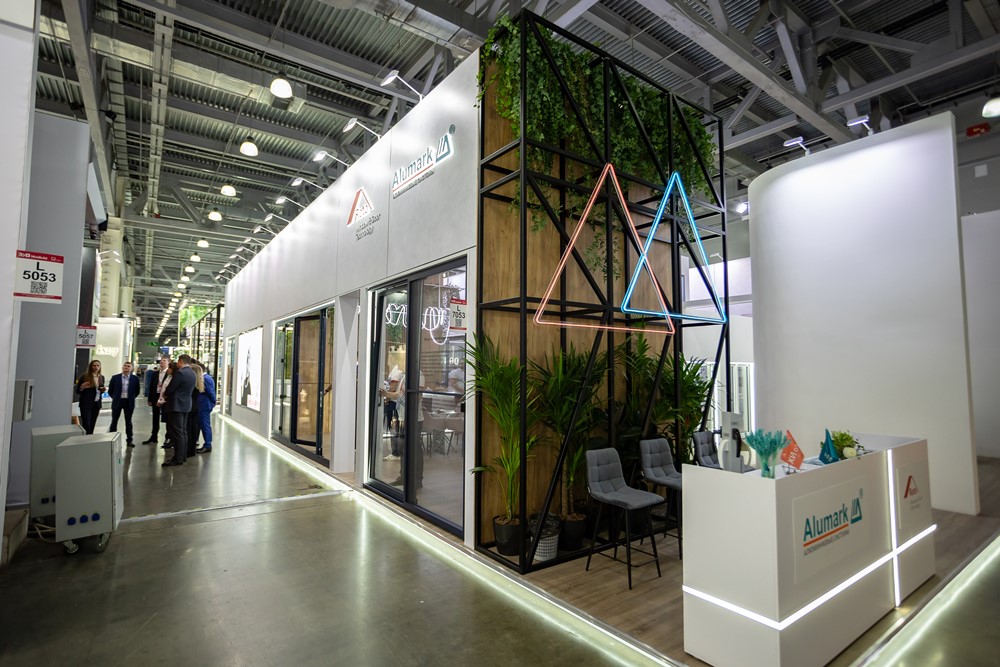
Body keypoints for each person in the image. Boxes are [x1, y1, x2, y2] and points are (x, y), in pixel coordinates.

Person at [161, 355, 195, 467]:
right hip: (186, 405)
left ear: (180, 361)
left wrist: (165, 395)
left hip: (176, 405)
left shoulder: (180, 373)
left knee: (177, 432)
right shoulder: (192, 373)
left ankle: (178, 458)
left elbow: (170, 389)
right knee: (183, 432)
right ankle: (182, 455)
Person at [108, 361, 141, 447]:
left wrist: (131, 397)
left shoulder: (135, 379)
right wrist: (115, 397)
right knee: (114, 420)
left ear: (131, 368)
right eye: (125, 366)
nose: (126, 367)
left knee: (128, 421)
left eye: (128, 366)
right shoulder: (115, 378)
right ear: (122, 367)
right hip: (118, 401)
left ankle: (129, 440)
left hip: (128, 402)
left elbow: (137, 391)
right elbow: (110, 390)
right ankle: (111, 439)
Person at [142, 357, 170, 445]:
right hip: (155, 396)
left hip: (165, 397)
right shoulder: (155, 373)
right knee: (155, 417)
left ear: (168, 363)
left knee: (167, 417)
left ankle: (168, 437)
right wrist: (150, 398)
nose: (162, 362)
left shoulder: (170, 373)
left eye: (164, 361)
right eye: (161, 361)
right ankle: (154, 436)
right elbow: (151, 386)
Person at [379, 364, 404, 460]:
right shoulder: (398, 374)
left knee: (394, 429)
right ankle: (397, 451)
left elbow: (393, 389)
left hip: (394, 405)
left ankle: (396, 453)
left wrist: (387, 396)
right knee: (395, 429)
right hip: (395, 404)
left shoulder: (396, 374)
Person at [75, 360, 106, 435]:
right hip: (86, 404)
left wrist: (102, 390)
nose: (96, 367)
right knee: (86, 423)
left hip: (96, 403)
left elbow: (98, 390)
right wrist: (82, 387)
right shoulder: (84, 376)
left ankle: (90, 437)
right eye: (94, 365)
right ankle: (86, 438)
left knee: (93, 422)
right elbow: (78, 391)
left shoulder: (101, 377)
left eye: (98, 365)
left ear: (100, 367)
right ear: (90, 366)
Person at [185, 364, 205, 458]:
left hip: (190, 406)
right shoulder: (200, 384)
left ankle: (188, 449)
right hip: (196, 407)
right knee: (194, 428)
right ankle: (191, 450)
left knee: (188, 428)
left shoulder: (191, 384)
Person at [195, 363, 216, 453]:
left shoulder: (206, 379)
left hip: (204, 405)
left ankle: (208, 444)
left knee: (205, 425)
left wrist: (213, 402)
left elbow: (211, 393)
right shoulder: (205, 378)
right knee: (203, 425)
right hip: (202, 405)